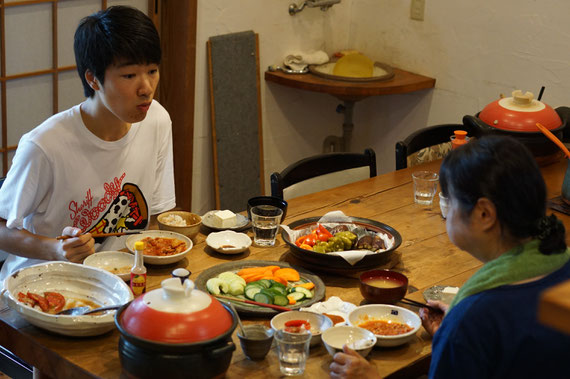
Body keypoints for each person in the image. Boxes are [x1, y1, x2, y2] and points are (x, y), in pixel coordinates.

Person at [330, 135, 570, 379]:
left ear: (484, 214)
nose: (446, 208)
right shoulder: (562, 265)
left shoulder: (475, 317)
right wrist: (456, 338)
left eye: (449, 200)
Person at [0, 5, 175, 285]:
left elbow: (153, 217)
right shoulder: (44, 145)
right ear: (92, 78)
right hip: (41, 283)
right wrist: (55, 248)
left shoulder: (156, 120)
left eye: (152, 71)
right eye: (129, 76)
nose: (146, 88)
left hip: (119, 281)